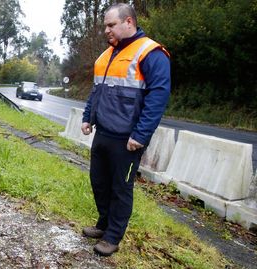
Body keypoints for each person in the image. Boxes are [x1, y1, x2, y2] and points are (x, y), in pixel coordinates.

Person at [81, 3, 170, 256]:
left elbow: (158, 99)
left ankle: (112, 236)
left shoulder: (151, 53)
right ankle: (103, 224)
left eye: (111, 25)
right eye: (105, 26)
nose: (106, 30)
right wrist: (88, 117)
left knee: (121, 188)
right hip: (103, 134)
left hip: (127, 140)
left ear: (128, 22)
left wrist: (140, 135)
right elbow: (96, 90)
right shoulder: (105, 56)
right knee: (99, 182)